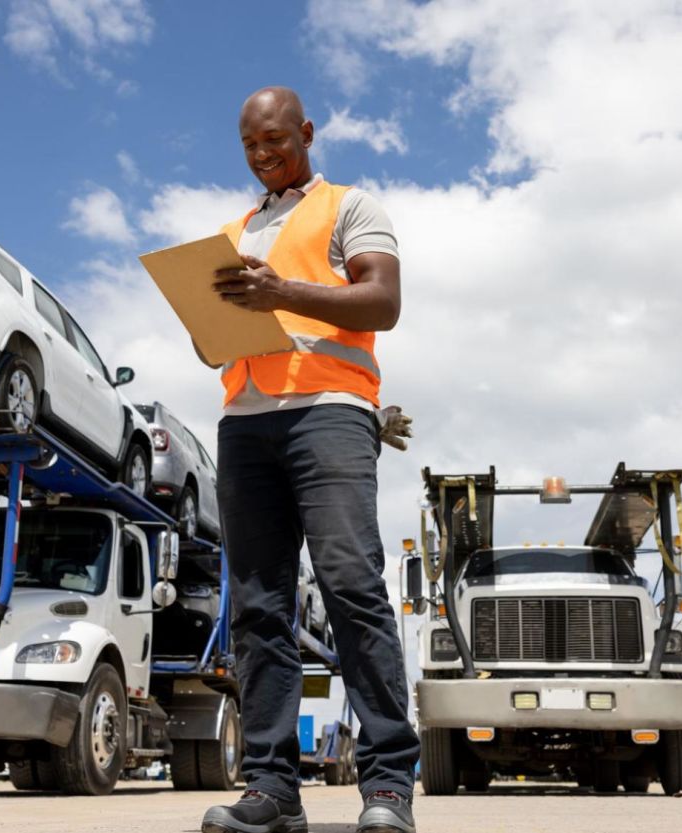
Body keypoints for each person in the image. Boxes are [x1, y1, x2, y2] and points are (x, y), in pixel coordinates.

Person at [198, 86, 419, 833]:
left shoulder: (351, 207)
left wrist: (281, 291)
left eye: (276, 141)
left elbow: (381, 301)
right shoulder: (232, 233)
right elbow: (210, 343)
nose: (264, 156)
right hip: (245, 425)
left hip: (330, 413)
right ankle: (271, 790)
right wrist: (210, 317)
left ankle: (388, 784)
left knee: (351, 584)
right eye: (251, 147)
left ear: (307, 133)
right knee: (258, 607)